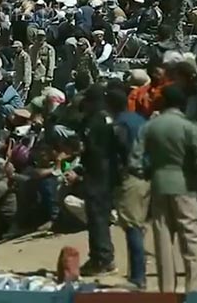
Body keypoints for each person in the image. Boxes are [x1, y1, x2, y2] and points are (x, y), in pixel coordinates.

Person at [138, 84, 197, 293]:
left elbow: (135, 160)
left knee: (163, 240)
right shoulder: (189, 126)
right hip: (185, 185)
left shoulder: (151, 126)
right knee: (190, 238)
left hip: (159, 185)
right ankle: (193, 289)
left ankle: (166, 291)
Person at [74, 85, 118, 275]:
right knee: (101, 216)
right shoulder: (109, 119)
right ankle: (103, 256)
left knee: (97, 218)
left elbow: (87, 149)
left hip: (96, 174)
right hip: (108, 173)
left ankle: (102, 259)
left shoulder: (93, 122)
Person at [111, 80, 149, 290]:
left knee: (133, 226)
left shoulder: (120, 124)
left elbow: (122, 151)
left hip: (132, 177)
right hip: (148, 175)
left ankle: (138, 277)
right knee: (140, 226)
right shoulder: (139, 119)